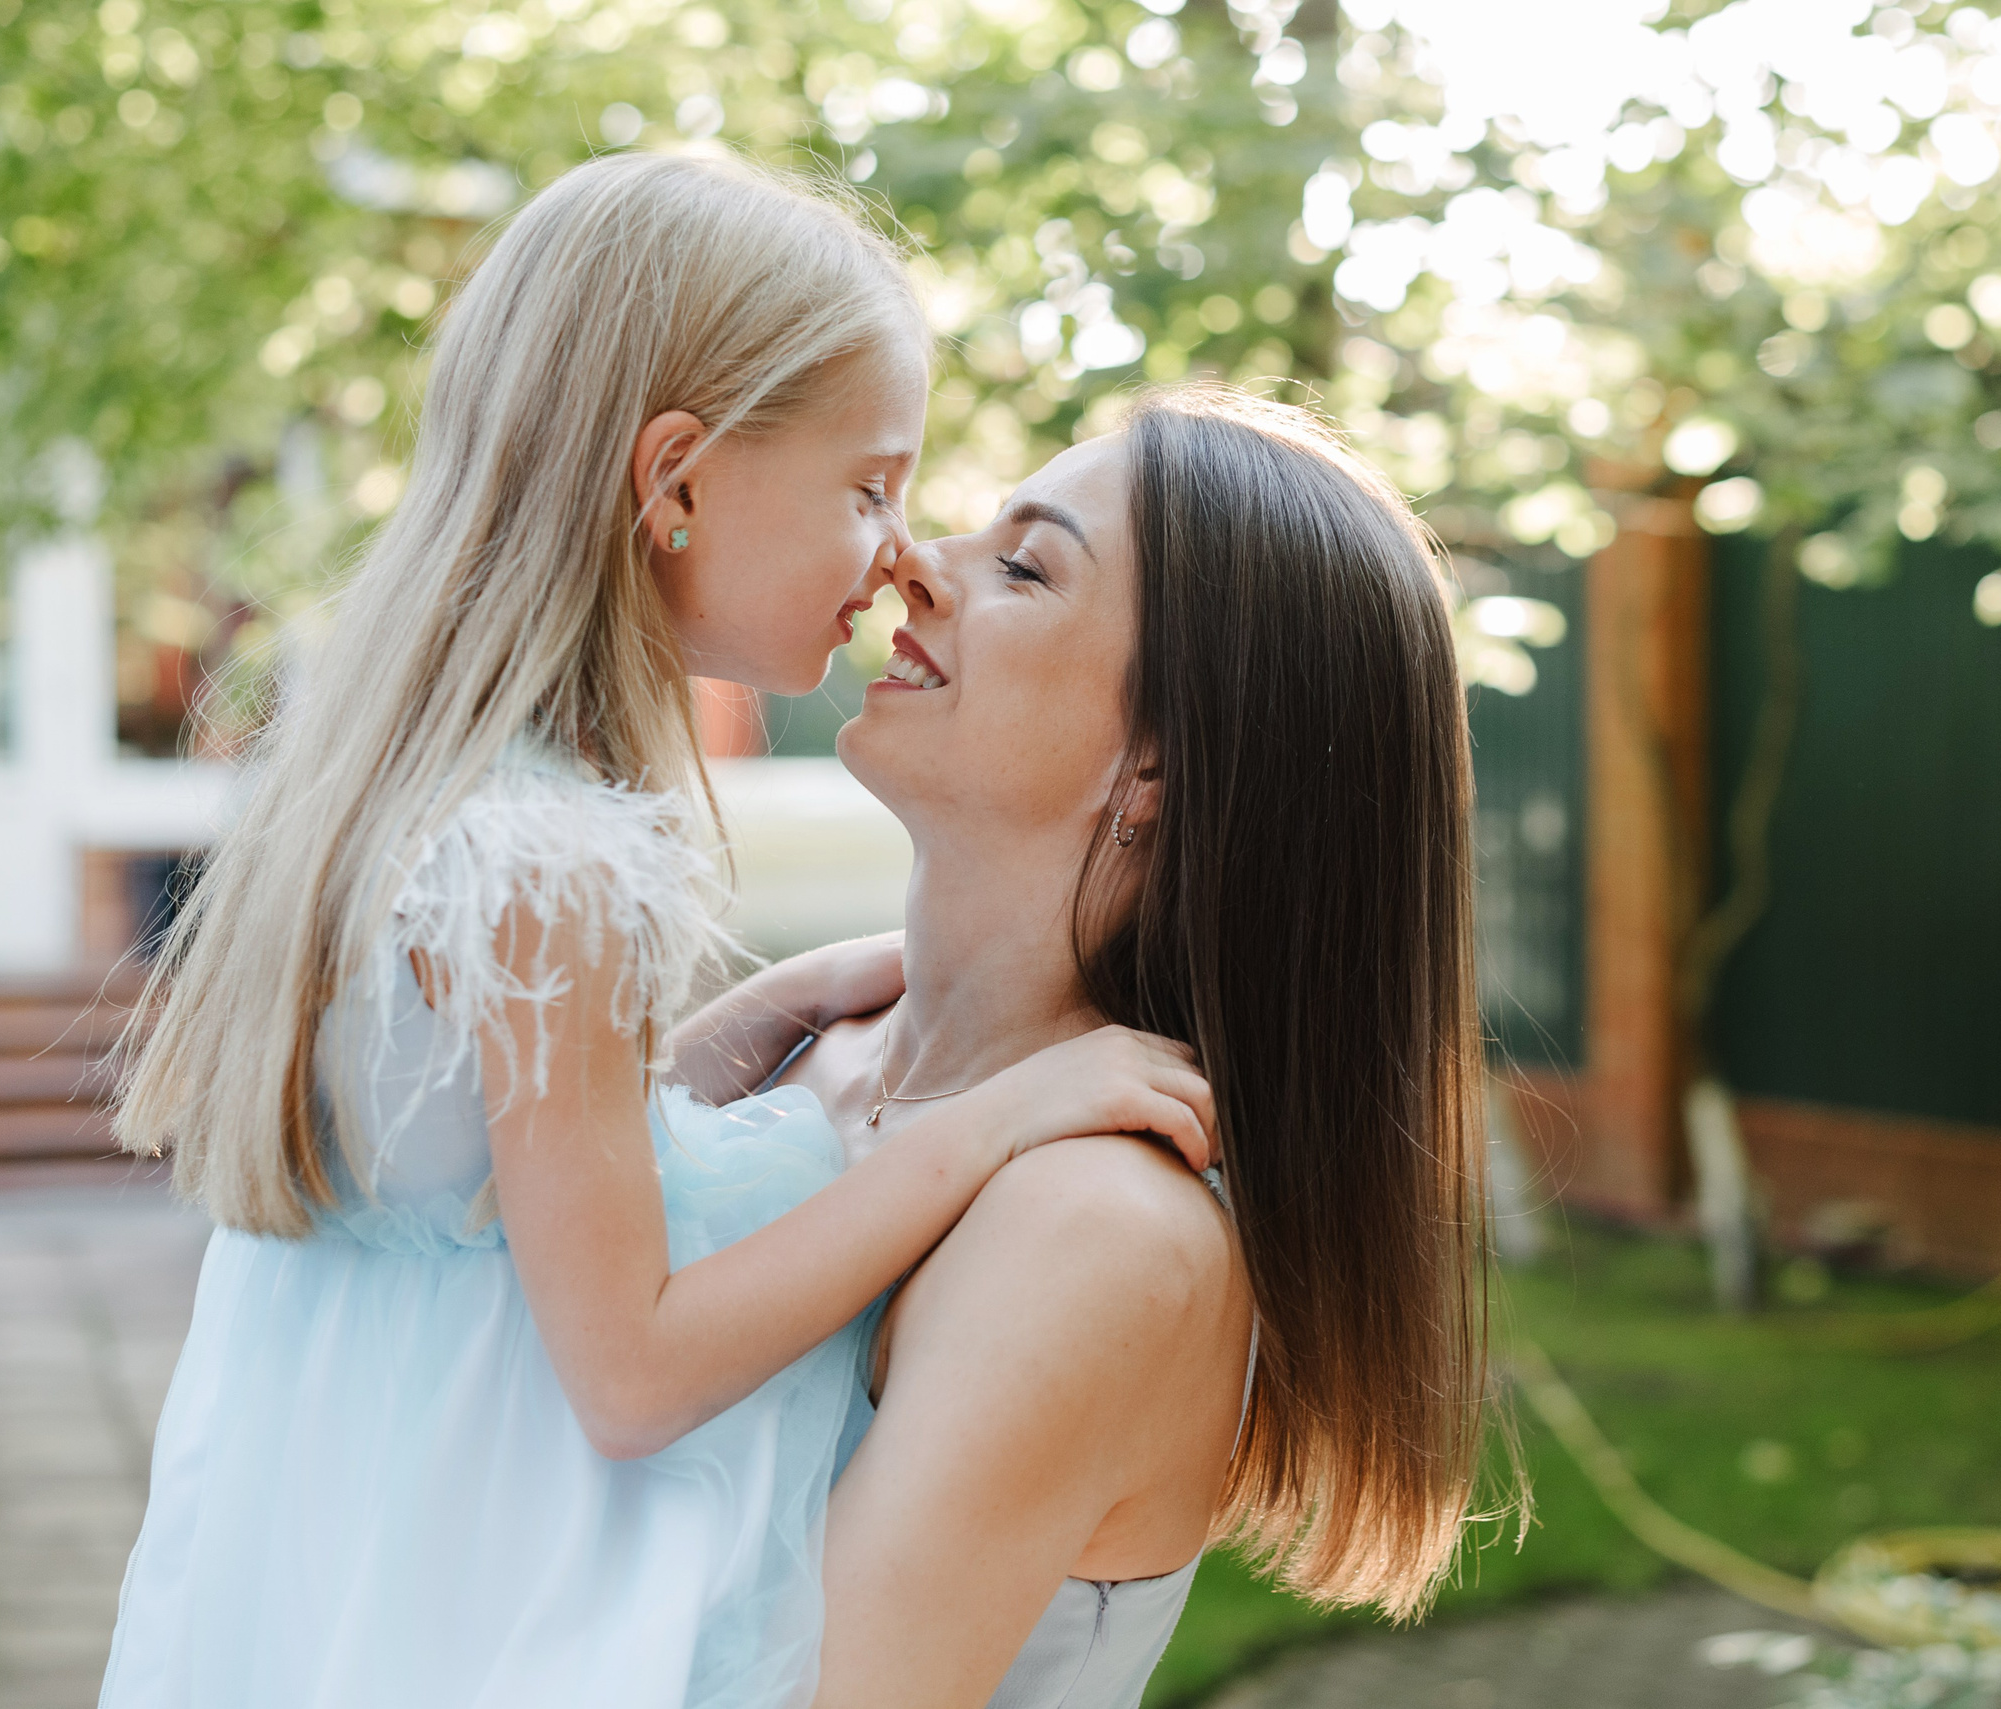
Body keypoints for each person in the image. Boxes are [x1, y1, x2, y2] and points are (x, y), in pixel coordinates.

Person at [98, 151, 1212, 1709]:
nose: (898, 550)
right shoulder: (557, 863)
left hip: (341, 1559)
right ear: (678, 477)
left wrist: (725, 1033)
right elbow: (631, 1374)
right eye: (868, 485)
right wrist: (981, 1129)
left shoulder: (426, 788)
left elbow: (471, 1157)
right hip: (492, 1597)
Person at [750, 386, 1528, 1709]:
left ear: (1156, 757)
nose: (911, 566)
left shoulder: (1102, 1227)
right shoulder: (804, 1042)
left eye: (1024, 566)